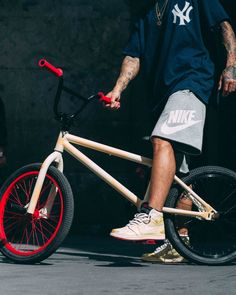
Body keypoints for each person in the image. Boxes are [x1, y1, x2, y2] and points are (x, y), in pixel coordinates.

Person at [106, 0, 236, 263]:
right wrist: (118, 88)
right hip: (162, 95)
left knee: (162, 139)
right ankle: (179, 242)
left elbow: (225, 28)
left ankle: (151, 215)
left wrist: (231, 66)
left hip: (191, 82)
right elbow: (133, 56)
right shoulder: (146, 12)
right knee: (181, 174)